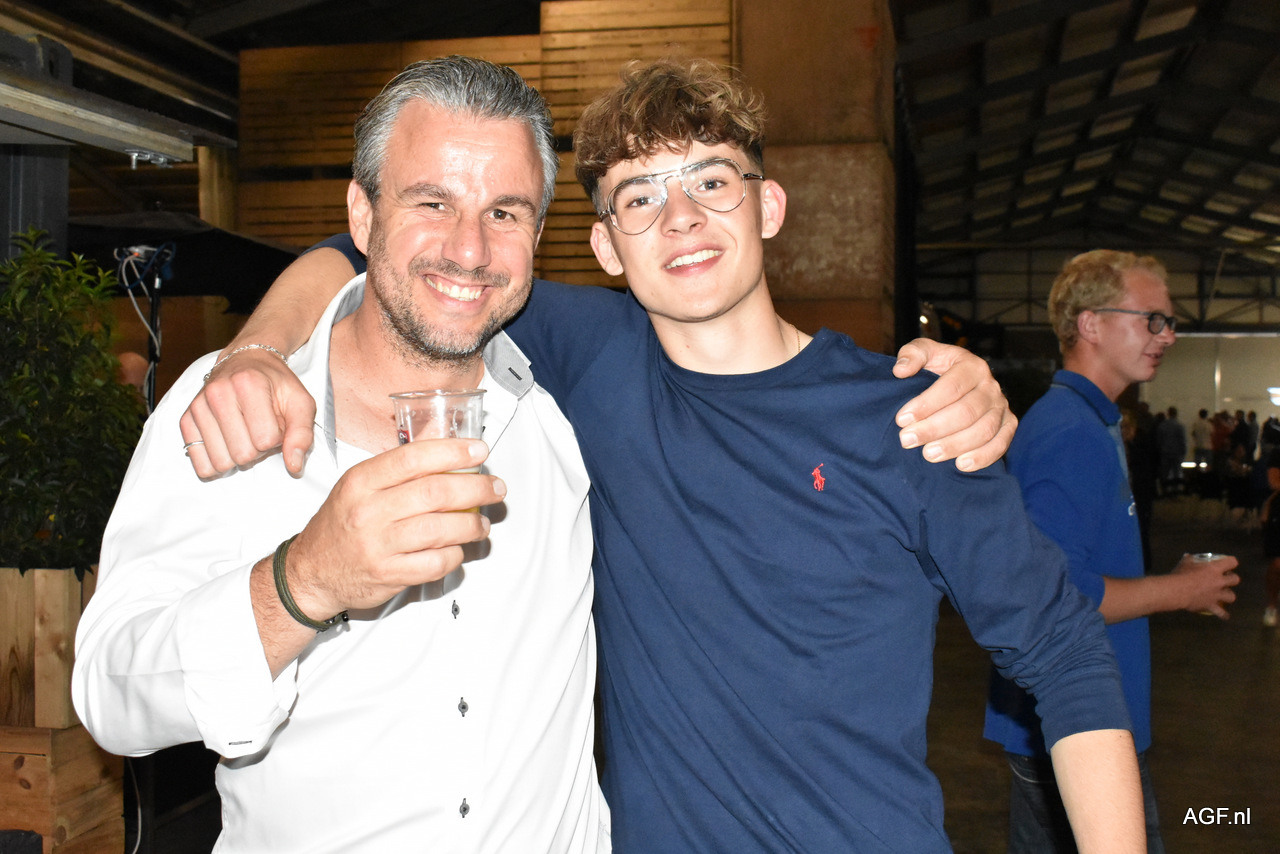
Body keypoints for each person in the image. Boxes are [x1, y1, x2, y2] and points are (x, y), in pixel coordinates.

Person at [178, 58, 1143, 852]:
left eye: (711, 182)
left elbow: (1063, 653)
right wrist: (255, 351)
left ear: (768, 207)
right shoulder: (594, 357)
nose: (680, 219)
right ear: (606, 247)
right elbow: (364, 256)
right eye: (640, 197)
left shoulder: (909, 416)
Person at [72, 57, 612, 852]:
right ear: (362, 215)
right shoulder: (233, 406)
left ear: (536, 235)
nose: (469, 250)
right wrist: (302, 583)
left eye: (504, 212)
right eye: (432, 202)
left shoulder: (561, 409)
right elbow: (108, 693)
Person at [984, 250, 1242, 853]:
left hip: (1077, 716)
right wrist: (1179, 591)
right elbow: (1053, 594)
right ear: (1091, 324)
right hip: (1076, 724)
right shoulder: (1069, 431)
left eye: (1169, 322)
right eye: (1153, 319)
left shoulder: (1091, 420)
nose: (1167, 335)